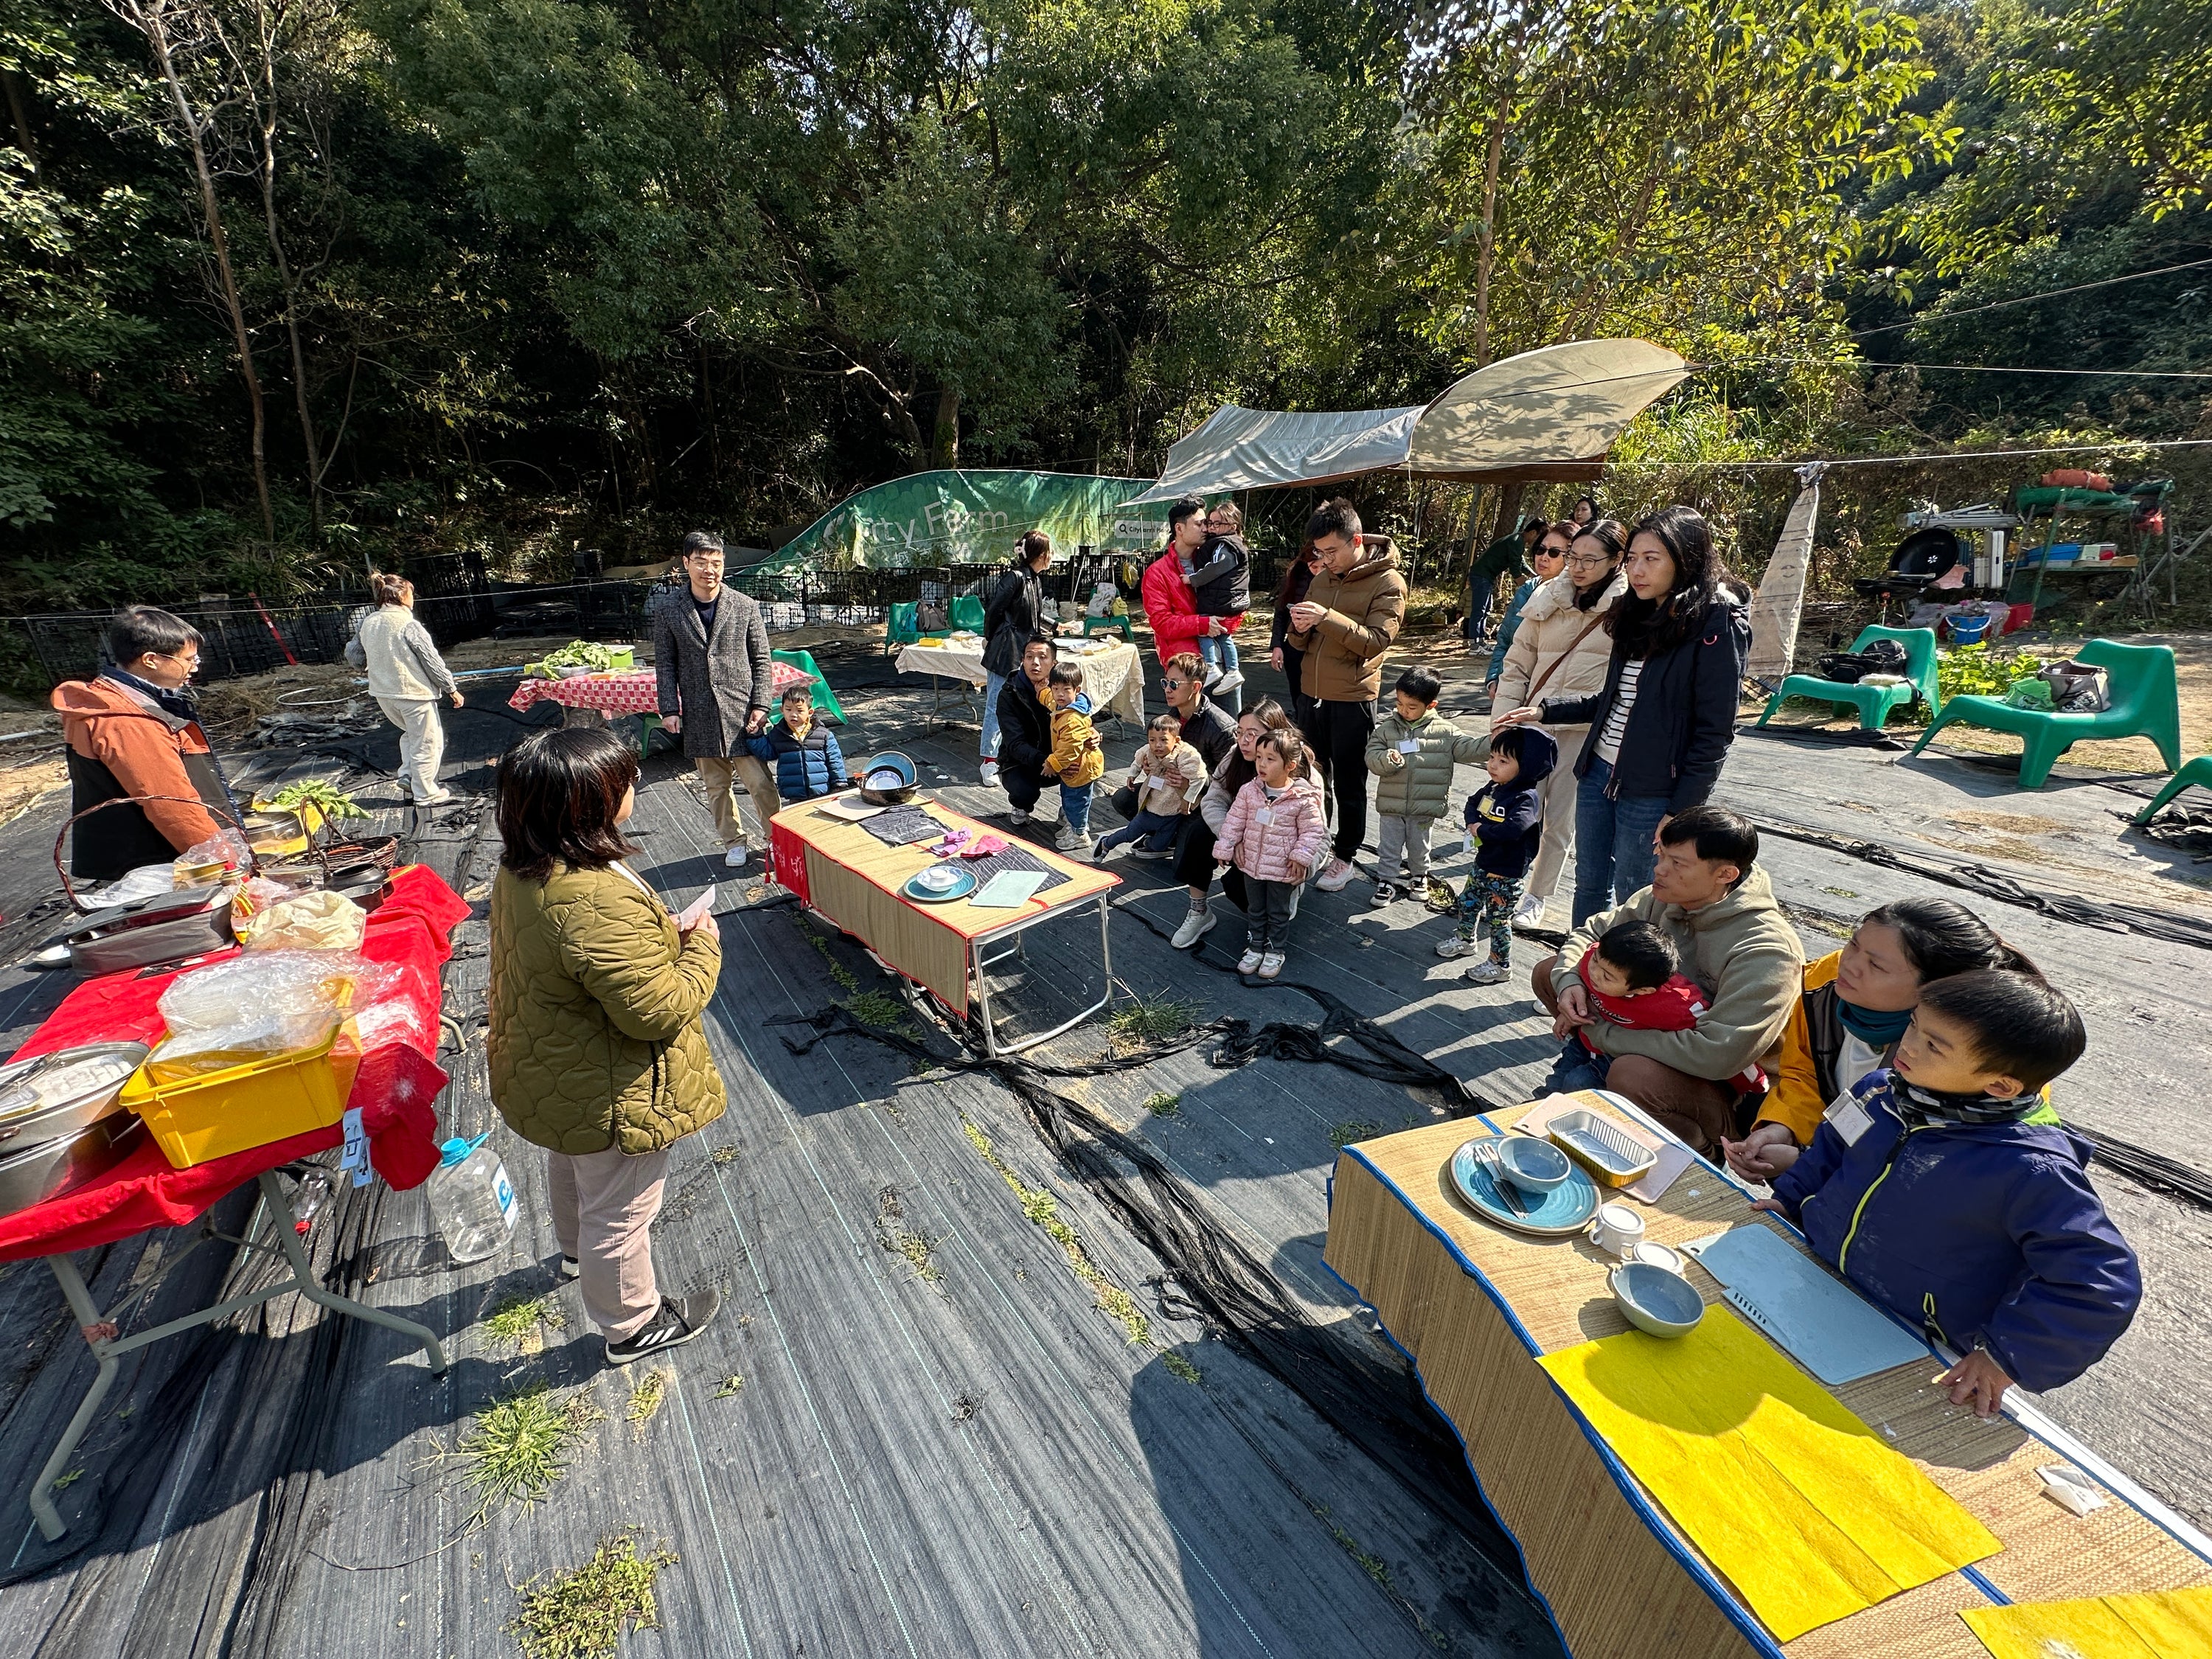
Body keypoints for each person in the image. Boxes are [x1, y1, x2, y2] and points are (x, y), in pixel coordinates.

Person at [1758, 971, 2139, 1412]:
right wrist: (1790, 1198)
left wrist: (2006, 1355)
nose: (1909, 1044)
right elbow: (1831, 1149)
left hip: (1917, 1339)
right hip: (1816, 1279)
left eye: (1934, 1045)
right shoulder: (1878, 1091)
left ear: (1999, 1085)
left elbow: (2101, 1283)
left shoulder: (2030, 1170)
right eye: (1914, 1024)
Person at [487, 726, 726, 1366]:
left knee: (572, 1165)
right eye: (623, 780)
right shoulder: (592, 898)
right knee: (621, 1212)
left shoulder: (524, 867)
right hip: (609, 1087)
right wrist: (700, 943)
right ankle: (632, 1327)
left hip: (554, 1070)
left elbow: (585, 962)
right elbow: (660, 1010)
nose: (636, 786)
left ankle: (572, 1255)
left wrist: (650, 942)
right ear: (586, 803)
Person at [1493, 505, 1750, 923]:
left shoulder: (1715, 623)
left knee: (1639, 892)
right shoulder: (1635, 612)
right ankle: (1580, 966)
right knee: (1590, 880)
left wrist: (1681, 808)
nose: (1637, 570)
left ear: (1686, 560)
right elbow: (1612, 699)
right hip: (1597, 772)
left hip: (1651, 790)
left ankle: (1625, 978)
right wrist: (1543, 710)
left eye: (1652, 559)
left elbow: (1715, 732)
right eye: (1633, 559)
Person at [1533, 805, 1803, 1153]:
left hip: (1722, 1084)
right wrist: (1569, 980)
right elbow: (1592, 932)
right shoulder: (1665, 896)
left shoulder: (1766, 950)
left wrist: (1606, 1035)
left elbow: (1718, 1055)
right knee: (1551, 972)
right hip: (1643, 1027)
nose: (1659, 870)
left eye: (1678, 864)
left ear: (1725, 874)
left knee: (1631, 1075)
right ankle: (1597, 1086)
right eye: (1661, 854)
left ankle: (1701, 1148)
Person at [1723, 898, 2040, 1183]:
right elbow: (1802, 1073)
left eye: (1876, 965)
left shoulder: (1983, 1053)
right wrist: (1783, 1128)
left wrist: (1809, 1163)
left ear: (1937, 988)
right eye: (1853, 944)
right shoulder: (1825, 983)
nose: (1850, 964)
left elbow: (1936, 1170)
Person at [1493, 519, 1630, 926]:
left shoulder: (1629, 611)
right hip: (1530, 723)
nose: (1579, 567)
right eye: (1574, 557)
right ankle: (1505, 882)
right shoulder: (1544, 599)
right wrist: (1502, 720)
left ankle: (1537, 894)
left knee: (1560, 818)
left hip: (1585, 733)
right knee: (1518, 807)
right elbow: (1517, 664)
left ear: (1616, 560)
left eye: (1591, 559)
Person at [52, 605, 234, 882]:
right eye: (189, 659)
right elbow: (172, 806)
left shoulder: (105, 699)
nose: (195, 667)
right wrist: (227, 866)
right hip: (155, 863)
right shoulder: (128, 720)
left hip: (132, 859)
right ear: (150, 660)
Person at [1285, 497, 1405, 893]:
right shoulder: (1322, 579)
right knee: (1310, 777)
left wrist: (1326, 617)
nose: (1325, 560)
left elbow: (1375, 642)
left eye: (1332, 551)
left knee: (1350, 782)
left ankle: (1346, 855)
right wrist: (1299, 628)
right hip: (1310, 695)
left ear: (1357, 540)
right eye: (1320, 553)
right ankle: (1317, 842)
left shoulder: (1388, 582)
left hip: (1352, 699)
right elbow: (1301, 644)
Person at [651, 531, 778, 871]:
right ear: (686, 563)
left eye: (717, 563)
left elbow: (762, 660)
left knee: (761, 783)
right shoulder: (668, 610)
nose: (710, 570)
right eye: (702, 563)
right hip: (698, 710)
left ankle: (775, 839)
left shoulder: (744, 605)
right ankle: (734, 841)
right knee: (716, 786)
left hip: (742, 711)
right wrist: (669, 708)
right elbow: (665, 663)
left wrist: (761, 704)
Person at [1543, 920, 1766, 1095]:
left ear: (1643, 991)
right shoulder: (1597, 959)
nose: (1594, 974)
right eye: (1595, 962)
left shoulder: (1677, 1006)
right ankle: (1532, 1118)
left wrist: (1754, 1084)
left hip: (1625, 1056)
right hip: (1589, 1041)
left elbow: (1717, 1048)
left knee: (1578, 1083)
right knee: (1557, 1080)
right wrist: (1569, 1011)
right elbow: (1586, 959)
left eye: (1607, 976)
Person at [1169, 699, 1295, 949]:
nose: (1244, 741)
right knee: (1197, 834)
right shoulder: (1235, 755)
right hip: (1240, 833)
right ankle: (1199, 911)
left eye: (1253, 734)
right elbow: (1214, 799)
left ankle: (1282, 902)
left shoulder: (1297, 763)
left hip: (1280, 848)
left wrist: (1303, 864)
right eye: (1240, 732)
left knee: (1239, 890)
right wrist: (1231, 836)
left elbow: (1319, 830)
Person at [1434, 725, 1557, 982]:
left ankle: (1500, 965)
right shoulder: (1493, 788)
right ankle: (1465, 939)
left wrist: (1483, 829)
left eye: (1503, 761)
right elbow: (1471, 803)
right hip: (1482, 864)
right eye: (1492, 757)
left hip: (1506, 875)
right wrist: (1472, 823)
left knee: (1499, 921)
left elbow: (1514, 829)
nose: (1492, 765)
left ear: (1526, 766)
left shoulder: (1526, 799)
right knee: (1467, 904)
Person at [1363, 664, 1492, 905]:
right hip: (1392, 804)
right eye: (1399, 703)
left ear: (1431, 705)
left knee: (1420, 847)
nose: (1403, 710)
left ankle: (1419, 876)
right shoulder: (1387, 728)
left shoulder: (1445, 732)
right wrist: (1386, 759)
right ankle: (1386, 881)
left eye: (1411, 707)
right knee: (1389, 847)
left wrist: (1496, 739)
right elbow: (1372, 755)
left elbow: (1470, 749)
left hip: (1425, 807)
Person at [1212, 728, 1326, 981]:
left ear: (1291, 766)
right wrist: (1225, 846)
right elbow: (1234, 821)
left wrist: (1301, 856)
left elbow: (1313, 831)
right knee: (1256, 909)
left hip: (1281, 868)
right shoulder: (1249, 791)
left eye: (1270, 759)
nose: (1262, 764)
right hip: (1252, 864)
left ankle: (1275, 951)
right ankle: (1255, 947)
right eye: (1259, 757)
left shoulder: (1303, 798)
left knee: (1278, 911)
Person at [347, 572, 465, 806]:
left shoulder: (368, 622)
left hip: (383, 694)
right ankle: (425, 793)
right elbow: (431, 661)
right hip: (412, 693)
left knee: (411, 735)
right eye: (411, 593)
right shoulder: (409, 625)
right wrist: (451, 688)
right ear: (401, 595)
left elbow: (353, 655)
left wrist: (368, 666)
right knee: (428, 742)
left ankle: (408, 776)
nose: (413, 598)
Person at [1142, 493, 1245, 714]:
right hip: (1185, 669)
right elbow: (1161, 623)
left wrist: (1227, 622)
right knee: (1188, 737)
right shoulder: (1157, 573)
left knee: (1229, 732)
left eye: (1207, 523)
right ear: (1179, 529)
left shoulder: (1217, 559)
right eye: (1200, 523)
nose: (1206, 528)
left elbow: (1235, 600)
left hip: (1222, 664)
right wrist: (1202, 624)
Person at [979, 530, 1066, 787]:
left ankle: (1017, 754)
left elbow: (1033, 614)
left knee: (1027, 702)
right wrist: (992, 638)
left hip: (1025, 650)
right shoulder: (1015, 577)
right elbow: (994, 610)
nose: (1051, 557)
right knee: (996, 705)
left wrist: (1054, 626)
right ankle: (988, 761)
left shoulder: (1034, 579)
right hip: (1006, 651)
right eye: (1049, 552)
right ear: (1041, 555)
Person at [1096, 713, 1206, 860]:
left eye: (1163, 740)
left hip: (1173, 814)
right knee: (1129, 834)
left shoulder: (1185, 755)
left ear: (1176, 740)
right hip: (1151, 810)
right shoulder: (1148, 750)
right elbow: (1137, 760)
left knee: (1158, 846)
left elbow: (1200, 777)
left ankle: (1149, 842)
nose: (1157, 745)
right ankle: (1106, 843)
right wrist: (1132, 775)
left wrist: (1188, 799)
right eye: (1152, 740)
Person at [1485, 521, 1571, 695]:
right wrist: (1494, 678)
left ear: (1571, 557)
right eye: (1540, 550)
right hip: (1514, 684)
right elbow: (1505, 640)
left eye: (1554, 553)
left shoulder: (1574, 598)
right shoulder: (1526, 590)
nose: (1544, 557)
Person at [992, 636, 1061, 830]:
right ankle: (1020, 806)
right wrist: (1047, 762)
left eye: (1042, 657)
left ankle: (1072, 810)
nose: (1035, 663)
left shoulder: (1063, 688)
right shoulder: (1009, 693)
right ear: (1022, 660)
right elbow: (1014, 743)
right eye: (1029, 657)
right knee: (1024, 791)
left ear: (1054, 663)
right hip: (1020, 760)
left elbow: (1080, 721)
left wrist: (1092, 735)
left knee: (1087, 762)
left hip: (1059, 756)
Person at [1185, 501, 1253, 695]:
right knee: (1223, 636)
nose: (1211, 528)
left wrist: (1193, 579)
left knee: (1204, 627)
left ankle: (1212, 666)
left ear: (1232, 526)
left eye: (1217, 524)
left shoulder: (1226, 546)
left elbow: (1215, 568)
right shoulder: (1232, 543)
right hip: (1227, 600)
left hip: (1222, 602)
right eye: (1210, 523)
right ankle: (1232, 670)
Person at [748, 683, 851, 803]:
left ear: (810, 712)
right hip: (795, 794)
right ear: (782, 710)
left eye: (800, 710)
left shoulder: (823, 734)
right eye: (788, 709)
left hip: (822, 792)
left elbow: (835, 760)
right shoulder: (778, 734)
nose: (793, 714)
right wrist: (755, 735)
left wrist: (839, 784)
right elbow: (767, 753)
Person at [1043, 660, 1107, 852]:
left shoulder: (1073, 719)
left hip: (1080, 769)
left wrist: (1052, 764)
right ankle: (1073, 825)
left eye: (1066, 689)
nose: (1060, 694)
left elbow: (1069, 749)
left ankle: (1079, 833)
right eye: (1055, 689)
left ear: (1077, 690)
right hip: (1074, 769)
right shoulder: (1061, 705)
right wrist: (1041, 691)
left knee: (1077, 801)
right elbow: (1049, 700)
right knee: (1068, 797)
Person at [1268, 540, 1324, 730]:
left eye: (1323, 566)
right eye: (1313, 566)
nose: (1318, 571)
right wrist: (1277, 646)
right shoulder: (1295, 578)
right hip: (1295, 644)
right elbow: (1281, 613)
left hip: (1322, 648)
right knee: (1298, 695)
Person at [1464, 513, 1543, 646]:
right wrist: (1532, 589)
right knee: (1479, 610)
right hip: (1481, 575)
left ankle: (1481, 642)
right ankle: (1474, 644)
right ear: (1533, 532)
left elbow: (1521, 564)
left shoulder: (1518, 541)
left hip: (1486, 577)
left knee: (1485, 609)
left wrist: (1536, 577)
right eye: (1539, 537)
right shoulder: (1516, 542)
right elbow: (1516, 571)